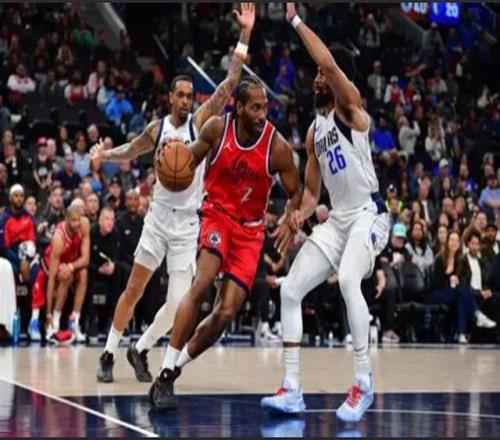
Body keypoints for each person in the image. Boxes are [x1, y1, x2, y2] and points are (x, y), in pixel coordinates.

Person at [93, 3, 256, 383]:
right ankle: (108, 352)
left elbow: (229, 83)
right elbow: (130, 150)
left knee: (180, 303)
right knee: (134, 289)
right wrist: (104, 155)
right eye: (180, 95)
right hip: (158, 219)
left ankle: (140, 348)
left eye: (189, 95)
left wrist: (245, 34)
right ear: (170, 97)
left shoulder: (201, 122)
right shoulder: (157, 129)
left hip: (187, 225)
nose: (186, 100)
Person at [260, 4, 390, 423]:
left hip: (369, 215)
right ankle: (291, 388)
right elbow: (313, 191)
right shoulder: (316, 130)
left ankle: (363, 381)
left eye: (322, 74)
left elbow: (330, 64)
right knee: (290, 290)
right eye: (316, 74)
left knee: (349, 279)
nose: (316, 78)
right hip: (338, 221)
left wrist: (295, 20)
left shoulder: (352, 110)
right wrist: (296, 215)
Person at [149, 75, 301, 412]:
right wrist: (170, 157)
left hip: (250, 232)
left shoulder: (276, 147)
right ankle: (165, 369)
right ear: (239, 108)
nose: (262, 114)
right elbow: (186, 161)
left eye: (265, 107)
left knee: (227, 311)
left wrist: (292, 217)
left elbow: (296, 192)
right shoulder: (217, 128)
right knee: (203, 281)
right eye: (256, 108)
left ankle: (172, 371)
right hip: (217, 215)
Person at [30, 201, 90, 343]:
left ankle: (74, 320)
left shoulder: (84, 225)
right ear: (67, 220)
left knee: (84, 273)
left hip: (70, 263)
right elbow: (51, 279)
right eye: (73, 220)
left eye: (79, 219)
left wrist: (70, 266)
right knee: (65, 275)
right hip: (51, 264)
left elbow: (86, 259)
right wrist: (48, 314)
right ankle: (54, 322)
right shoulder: (58, 237)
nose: (77, 223)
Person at [431, 230, 495, 344]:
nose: (454, 243)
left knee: (461, 296)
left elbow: (460, 280)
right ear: (447, 242)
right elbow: (435, 282)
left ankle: (461, 334)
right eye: (452, 240)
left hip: (454, 292)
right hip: (438, 292)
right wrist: (447, 275)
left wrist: (455, 280)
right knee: (461, 290)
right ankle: (477, 314)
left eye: (456, 240)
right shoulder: (440, 258)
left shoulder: (458, 260)